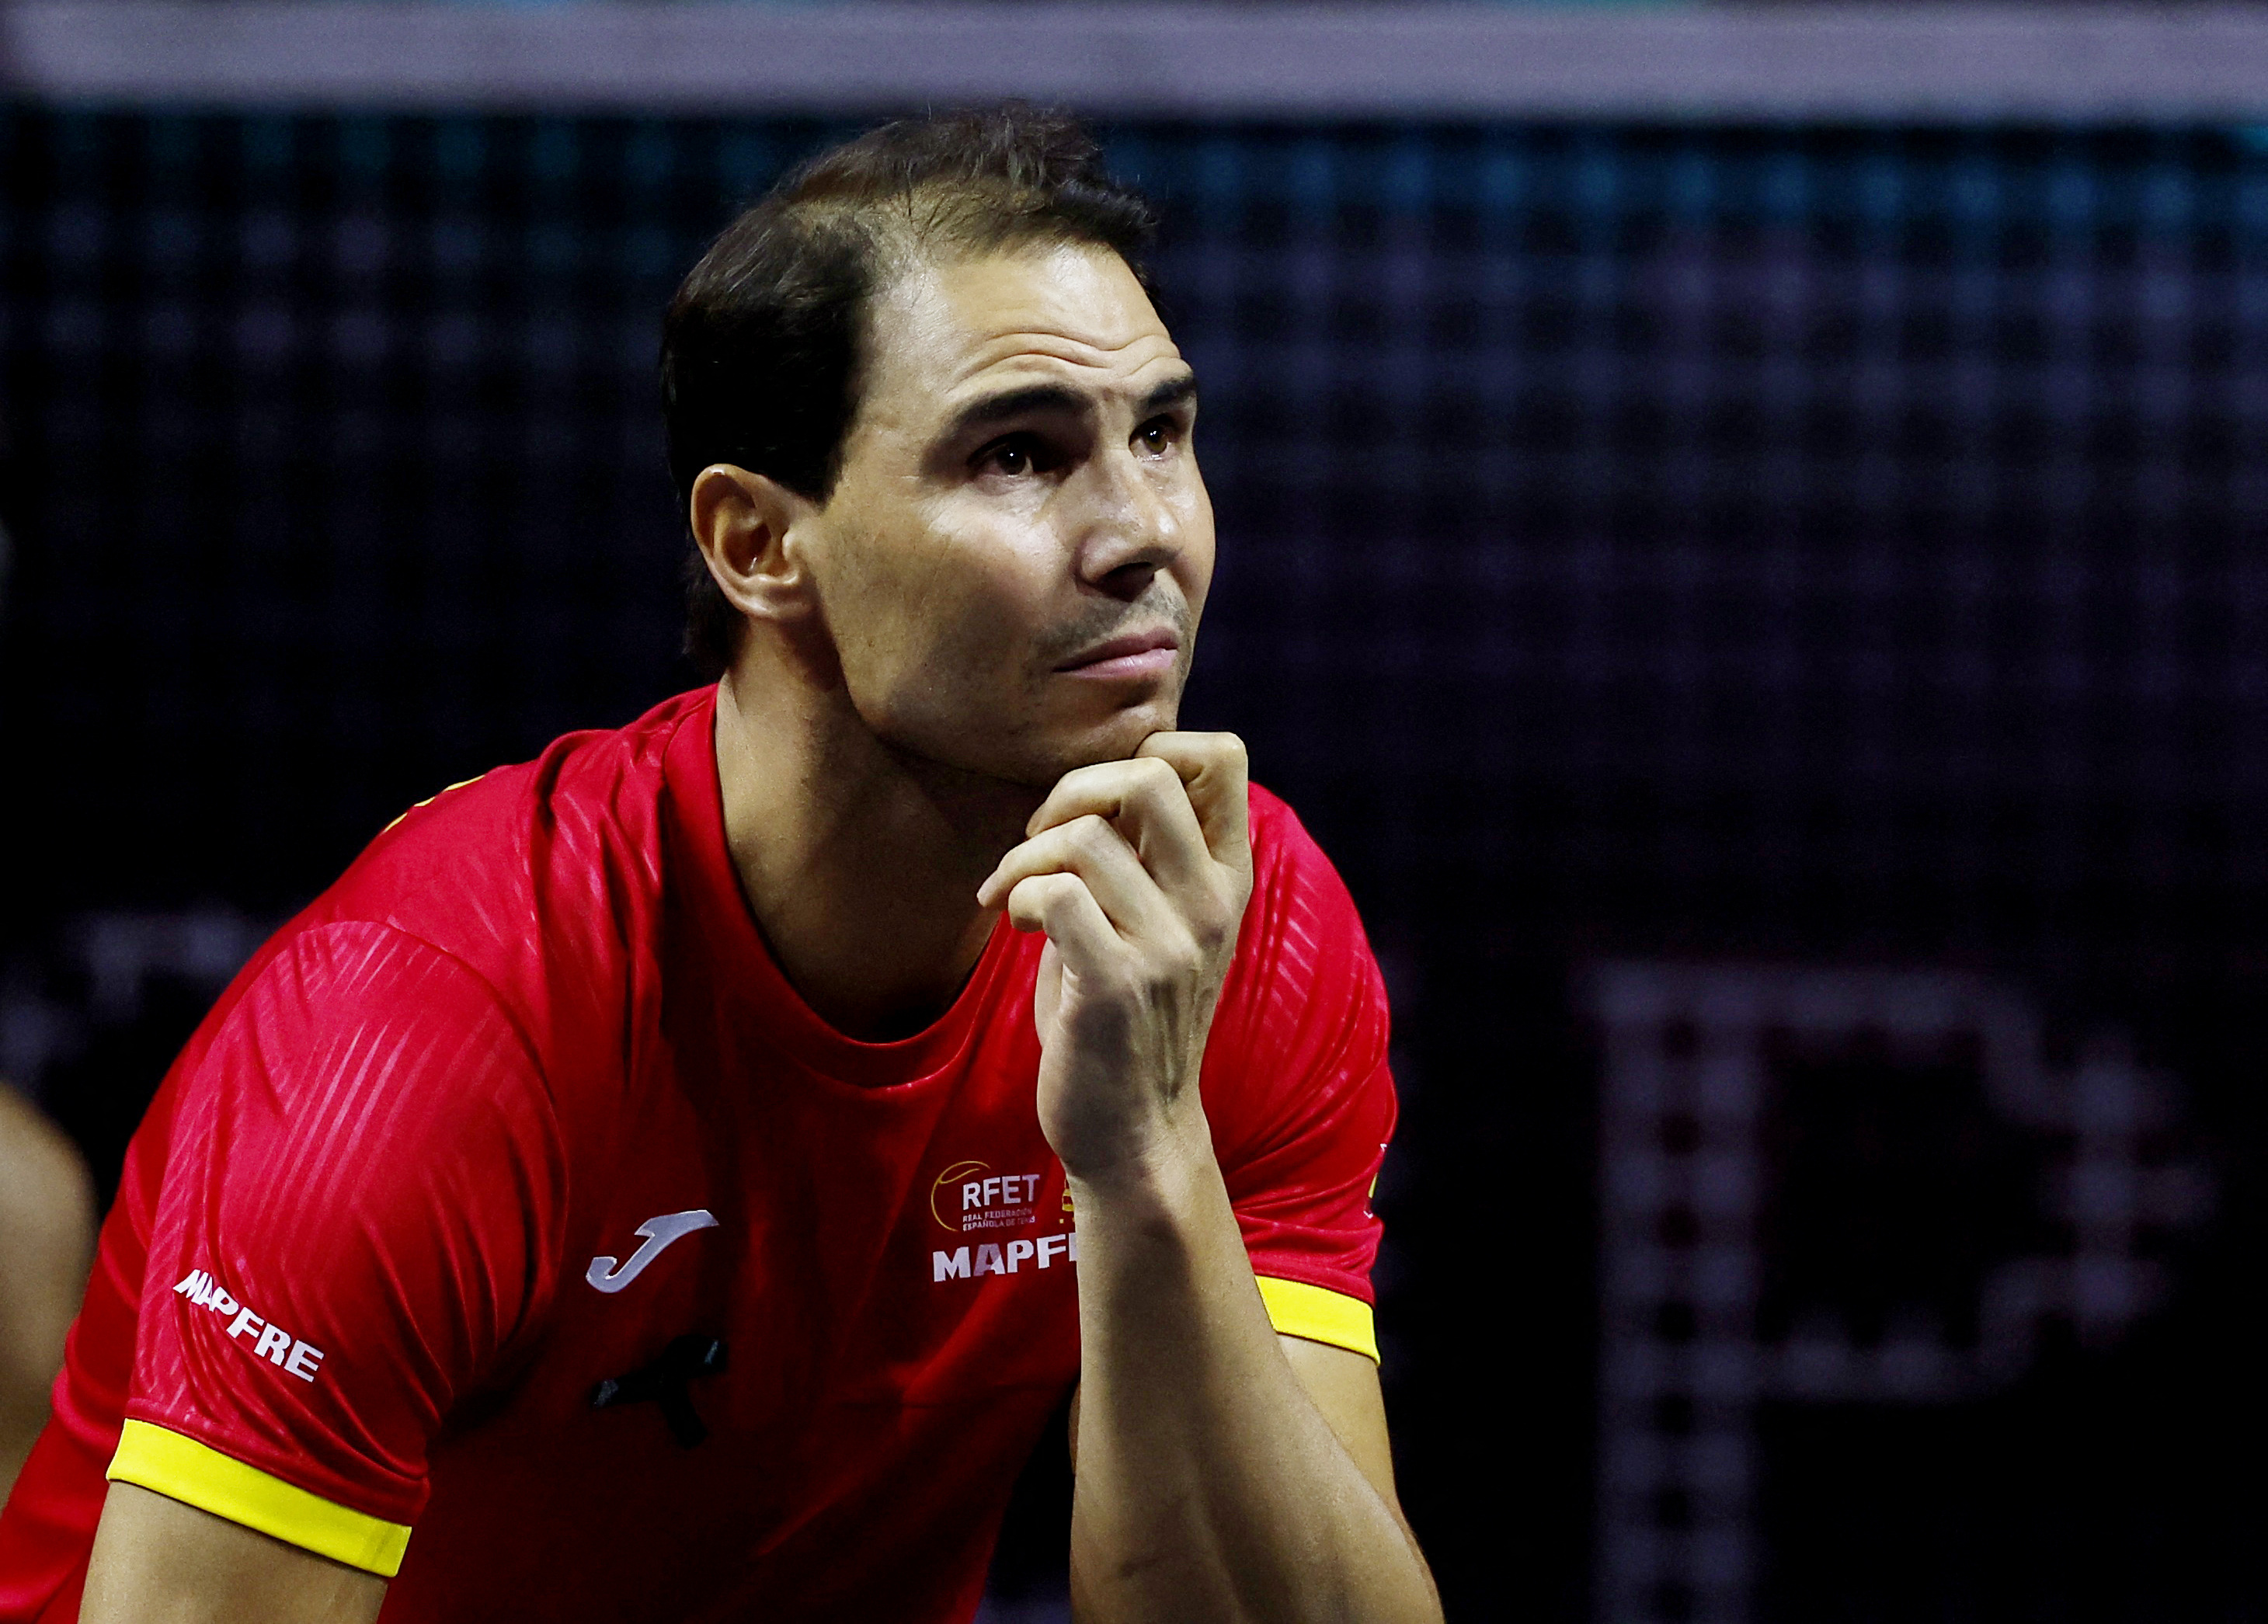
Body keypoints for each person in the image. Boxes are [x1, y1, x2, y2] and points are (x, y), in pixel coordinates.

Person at [0, 106, 1440, 1623]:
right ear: (758, 543)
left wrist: (1147, 1160)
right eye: (1020, 453)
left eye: (1160, 433)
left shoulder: (1221, 926)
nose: (1144, 529)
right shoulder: (434, 1025)